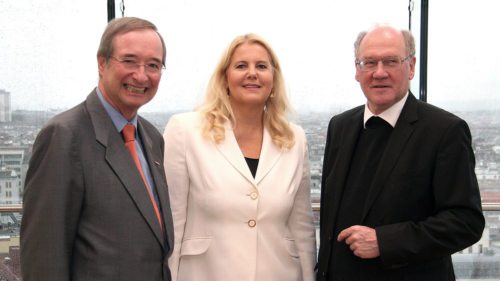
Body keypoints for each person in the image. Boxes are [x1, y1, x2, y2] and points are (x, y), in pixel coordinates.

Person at [316, 24, 485, 281]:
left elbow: (465, 222)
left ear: (412, 66)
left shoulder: (444, 130)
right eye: (369, 62)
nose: (379, 72)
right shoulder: (340, 126)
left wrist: (384, 242)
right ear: (357, 70)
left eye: (391, 61)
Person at [20, 17, 174, 281]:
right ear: (102, 63)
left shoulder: (151, 137)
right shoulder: (64, 136)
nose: (141, 75)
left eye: (153, 65)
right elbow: (43, 257)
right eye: (129, 61)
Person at [163, 33, 316, 281]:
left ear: (274, 80)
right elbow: (172, 222)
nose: (252, 73)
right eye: (241, 66)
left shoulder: (295, 139)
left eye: (262, 66)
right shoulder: (185, 130)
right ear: (225, 78)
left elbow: (302, 228)